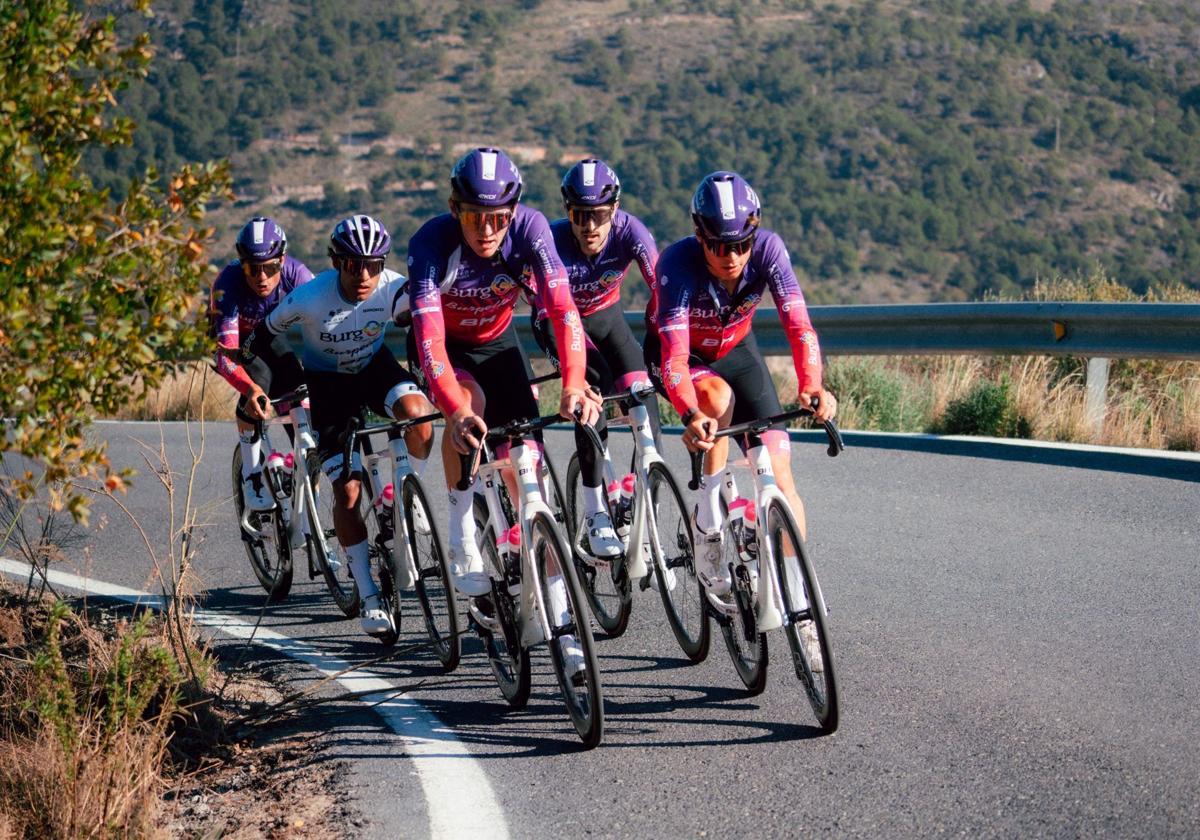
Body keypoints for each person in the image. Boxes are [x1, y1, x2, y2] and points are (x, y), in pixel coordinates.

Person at [406, 147, 600, 677]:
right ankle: (462, 529)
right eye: (474, 216)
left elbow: (563, 311)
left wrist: (575, 383)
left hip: (498, 346)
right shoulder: (431, 245)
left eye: (497, 217)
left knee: (527, 472)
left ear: (513, 213)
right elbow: (428, 340)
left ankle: (563, 625)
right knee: (471, 410)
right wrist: (451, 408)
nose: (487, 229)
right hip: (446, 352)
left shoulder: (531, 230)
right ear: (455, 208)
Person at [645, 171, 837, 596]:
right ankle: (708, 522)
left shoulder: (769, 250)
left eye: (740, 245)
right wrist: (688, 412)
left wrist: (812, 383)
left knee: (780, 474)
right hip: (683, 358)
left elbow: (799, 325)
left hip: (736, 350)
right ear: (700, 237)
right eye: (718, 246)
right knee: (716, 398)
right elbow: (673, 357)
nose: (731, 256)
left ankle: (797, 592)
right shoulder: (677, 264)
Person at [246, 214, 435, 637]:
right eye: (353, 264)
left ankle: (407, 494)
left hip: (374, 369)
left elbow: (423, 319)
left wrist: (424, 362)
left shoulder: (392, 286)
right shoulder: (308, 298)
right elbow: (260, 338)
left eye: (373, 264)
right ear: (336, 261)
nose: (364, 274)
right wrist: (275, 383)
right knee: (347, 491)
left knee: (419, 416)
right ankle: (368, 594)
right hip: (329, 386)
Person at [532, 158, 661, 562]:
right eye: (580, 215)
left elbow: (662, 290)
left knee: (644, 396)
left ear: (615, 211)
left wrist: (667, 349)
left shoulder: (631, 232)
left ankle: (646, 505)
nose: (590, 226)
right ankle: (595, 512)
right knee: (593, 398)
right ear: (568, 212)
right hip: (558, 324)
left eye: (600, 215)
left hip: (608, 319)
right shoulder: (550, 241)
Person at [210, 217, 313, 511]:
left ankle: (302, 464)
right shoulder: (228, 284)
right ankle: (252, 474)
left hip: (271, 337)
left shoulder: (298, 275)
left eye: (270, 267)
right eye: (252, 269)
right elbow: (226, 354)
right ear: (241, 264)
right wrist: (250, 388)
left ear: (282, 260)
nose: (262, 277)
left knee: (299, 383)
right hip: (236, 347)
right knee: (260, 385)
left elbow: (325, 325)